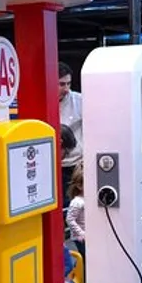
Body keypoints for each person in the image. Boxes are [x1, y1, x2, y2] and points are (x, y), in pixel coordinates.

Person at [58, 61, 82, 207]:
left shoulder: (80, 100)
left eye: (68, 83)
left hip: (76, 165)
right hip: (52, 166)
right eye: (61, 84)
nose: (66, 89)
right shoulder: (38, 101)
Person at [65, 164, 85, 265]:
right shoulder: (77, 202)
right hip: (80, 237)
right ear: (79, 185)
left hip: (87, 234)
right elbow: (70, 219)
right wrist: (81, 233)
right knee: (85, 258)